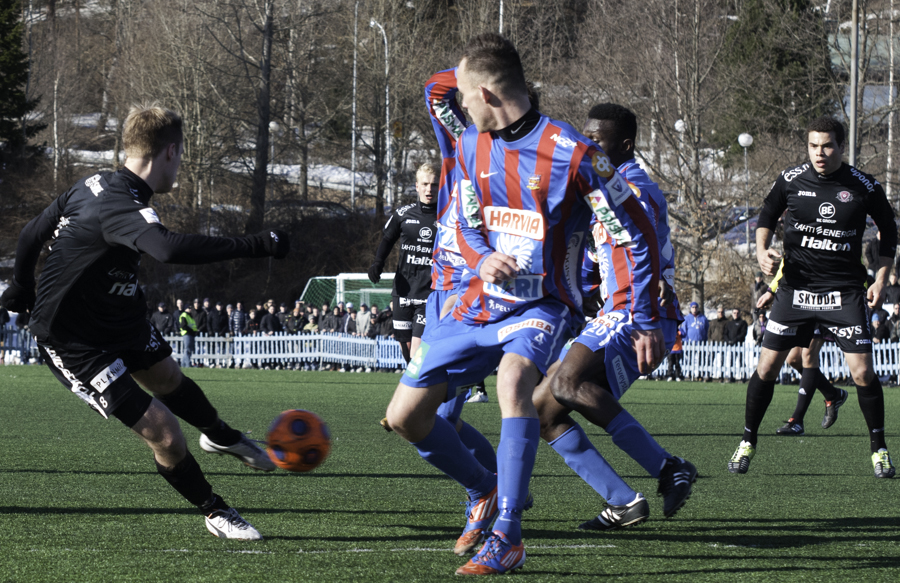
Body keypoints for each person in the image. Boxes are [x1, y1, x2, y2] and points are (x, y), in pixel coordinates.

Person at [384, 36, 668, 576]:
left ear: (488, 93)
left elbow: (635, 232)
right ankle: (487, 488)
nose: (458, 106)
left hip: (541, 304)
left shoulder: (575, 155)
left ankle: (508, 533)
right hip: (471, 300)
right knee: (405, 418)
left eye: (467, 96)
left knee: (515, 383)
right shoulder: (470, 144)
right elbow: (463, 221)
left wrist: (645, 316)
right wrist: (483, 254)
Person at [0, 103, 290, 540]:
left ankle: (221, 436)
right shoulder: (119, 203)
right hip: (73, 338)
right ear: (170, 152)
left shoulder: (94, 184)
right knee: (166, 433)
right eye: (182, 155)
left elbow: (30, 233)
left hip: (119, 314)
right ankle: (215, 511)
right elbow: (167, 249)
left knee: (168, 377)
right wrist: (258, 244)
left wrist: (20, 285)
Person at [532, 102, 695, 536]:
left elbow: (646, 254)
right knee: (544, 410)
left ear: (624, 146)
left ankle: (668, 468)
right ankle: (622, 501)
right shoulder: (601, 189)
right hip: (614, 311)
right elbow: (593, 256)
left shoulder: (635, 190)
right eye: (586, 137)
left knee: (564, 385)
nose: (588, 145)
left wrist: (643, 318)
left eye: (597, 140)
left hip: (636, 314)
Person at [729, 115, 897, 479]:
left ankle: (879, 449)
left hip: (844, 293)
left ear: (841, 146)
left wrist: (881, 279)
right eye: (813, 146)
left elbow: (889, 232)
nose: (819, 153)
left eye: (827, 145)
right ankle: (747, 441)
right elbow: (766, 217)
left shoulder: (864, 185)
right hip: (796, 291)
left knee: (864, 373)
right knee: (767, 367)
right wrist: (762, 252)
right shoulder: (790, 180)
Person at [368, 163, 438, 363]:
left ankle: (420, 389)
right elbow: (387, 239)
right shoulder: (402, 214)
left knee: (417, 347)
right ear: (416, 186)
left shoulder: (446, 215)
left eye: (434, 185)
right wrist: (377, 263)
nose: (429, 189)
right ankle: (418, 385)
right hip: (403, 289)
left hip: (429, 291)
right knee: (406, 347)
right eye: (425, 184)